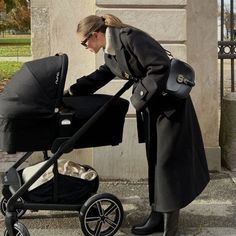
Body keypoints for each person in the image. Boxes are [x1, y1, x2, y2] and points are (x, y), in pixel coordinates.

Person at [66, 14, 210, 236]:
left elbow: (160, 66)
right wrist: (74, 91)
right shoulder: (110, 53)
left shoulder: (130, 37)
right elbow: (102, 75)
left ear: (95, 34)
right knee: (155, 162)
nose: (85, 47)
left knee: (166, 165)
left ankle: (169, 226)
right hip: (153, 109)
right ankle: (156, 216)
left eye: (84, 43)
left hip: (171, 109)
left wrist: (138, 97)